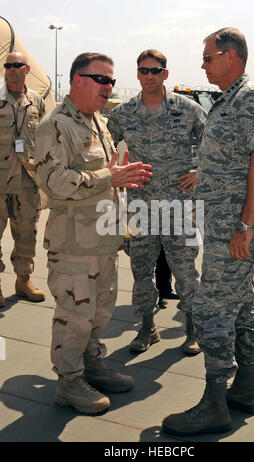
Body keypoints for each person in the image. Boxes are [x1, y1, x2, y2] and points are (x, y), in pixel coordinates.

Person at [162, 27, 254, 436]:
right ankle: (244, 388)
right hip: (227, 225)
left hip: (234, 230)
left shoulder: (249, 99)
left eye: (208, 58)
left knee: (211, 309)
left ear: (230, 56)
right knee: (242, 307)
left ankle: (214, 402)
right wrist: (204, 172)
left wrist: (246, 227)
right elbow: (236, 158)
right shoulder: (228, 101)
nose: (203, 64)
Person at [34, 52, 152, 414]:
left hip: (102, 242)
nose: (110, 87)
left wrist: (118, 182)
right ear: (78, 80)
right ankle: (69, 383)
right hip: (74, 247)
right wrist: (109, 177)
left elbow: (105, 179)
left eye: (112, 81)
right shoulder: (55, 125)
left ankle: (92, 365)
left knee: (100, 312)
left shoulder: (96, 122)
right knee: (74, 316)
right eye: (103, 79)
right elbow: (53, 183)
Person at [108, 49, 206, 355]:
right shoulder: (122, 113)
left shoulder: (187, 109)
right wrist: (111, 172)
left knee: (187, 272)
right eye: (143, 70)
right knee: (141, 273)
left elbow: (213, 144)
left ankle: (192, 330)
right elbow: (101, 148)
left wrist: (198, 171)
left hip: (179, 208)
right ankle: (147, 329)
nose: (149, 76)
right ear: (137, 74)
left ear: (166, 73)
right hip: (140, 209)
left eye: (155, 70)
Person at [0, 52, 46, 307]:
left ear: (27, 69)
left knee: (27, 233)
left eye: (17, 65)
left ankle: (23, 280)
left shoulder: (36, 100)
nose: (12, 69)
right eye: (8, 66)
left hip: (27, 181)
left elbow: (44, 139)